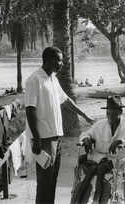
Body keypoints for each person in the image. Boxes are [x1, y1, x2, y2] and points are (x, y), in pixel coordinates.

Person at [25, 46, 95, 204]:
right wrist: (36, 140)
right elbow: (29, 110)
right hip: (44, 140)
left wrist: (84, 115)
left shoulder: (52, 78)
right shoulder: (34, 80)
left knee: (52, 180)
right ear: (48, 60)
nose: (62, 63)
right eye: (59, 60)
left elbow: (66, 101)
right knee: (44, 182)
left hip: (57, 137)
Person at [71, 95, 125, 204]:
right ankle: (80, 198)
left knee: (101, 168)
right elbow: (85, 133)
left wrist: (121, 141)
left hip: (117, 159)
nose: (110, 117)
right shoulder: (99, 125)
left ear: (121, 112)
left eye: (114, 114)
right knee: (92, 168)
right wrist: (86, 139)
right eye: (108, 114)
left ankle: (98, 198)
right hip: (97, 157)